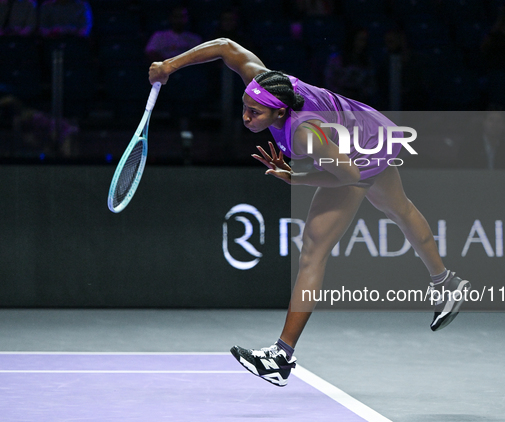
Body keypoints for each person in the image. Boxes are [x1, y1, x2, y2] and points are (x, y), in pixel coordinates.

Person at [148, 38, 472, 387]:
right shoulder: (264, 83)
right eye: (244, 107)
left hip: (360, 147)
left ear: (280, 113)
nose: (245, 117)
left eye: (254, 114)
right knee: (397, 208)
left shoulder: (306, 135)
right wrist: (170, 66)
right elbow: (227, 47)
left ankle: (281, 355)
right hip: (360, 124)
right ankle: (448, 283)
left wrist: (295, 177)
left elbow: (348, 175)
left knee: (316, 248)